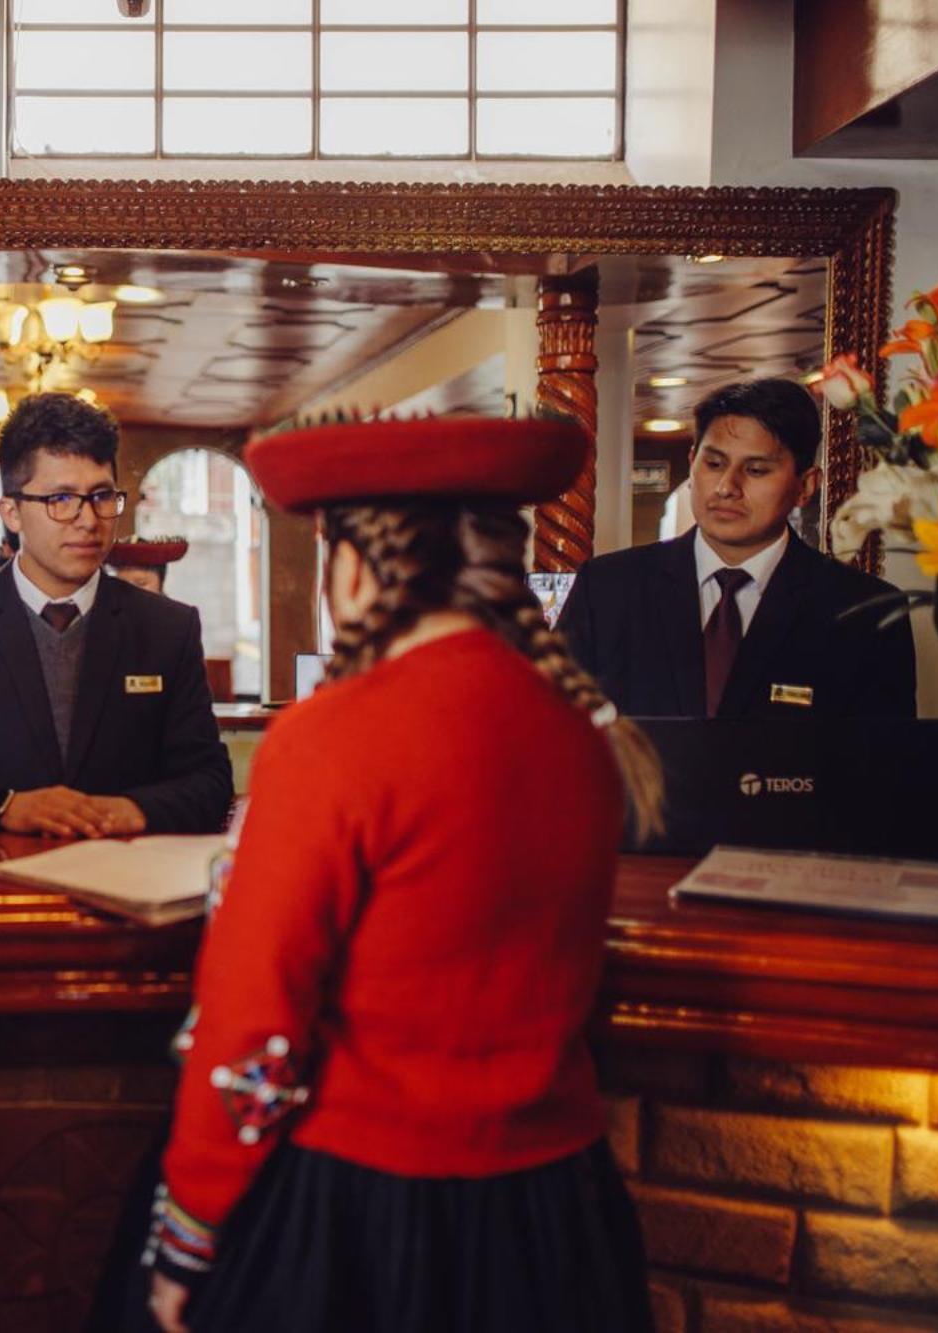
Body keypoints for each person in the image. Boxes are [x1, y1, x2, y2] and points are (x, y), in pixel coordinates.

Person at [144, 414, 660, 1333]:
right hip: (558, 1215)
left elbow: (253, 1019)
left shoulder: (330, 737)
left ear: (355, 565)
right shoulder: (585, 731)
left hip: (366, 1215)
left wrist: (192, 1226)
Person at [0, 392, 232, 838]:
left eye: (101, 496)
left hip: (126, 882)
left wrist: (128, 810)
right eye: (61, 499)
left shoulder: (168, 628)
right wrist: (5, 805)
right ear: (12, 513)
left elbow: (209, 782)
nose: (88, 520)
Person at [559, 378, 916, 717]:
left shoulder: (863, 613)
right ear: (692, 461)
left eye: (757, 470)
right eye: (714, 464)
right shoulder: (608, 588)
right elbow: (552, 732)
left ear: (806, 486)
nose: (727, 487)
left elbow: (882, 769)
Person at [108, 536, 190, 596]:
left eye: (141, 583)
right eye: (122, 584)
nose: (130, 590)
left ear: (160, 585)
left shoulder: (178, 618)